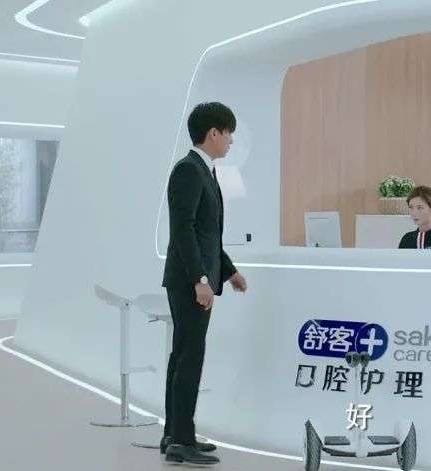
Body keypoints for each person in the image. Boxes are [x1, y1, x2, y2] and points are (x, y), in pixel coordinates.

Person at [161, 102, 248, 465]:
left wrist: (228, 271)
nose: (230, 141)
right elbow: (183, 230)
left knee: (183, 355)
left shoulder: (203, 170)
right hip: (189, 282)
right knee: (189, 358)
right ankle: (181, 440)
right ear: (213, 132)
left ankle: (175, 434)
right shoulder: (189, 170)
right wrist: (200, 279)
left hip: (196, 278)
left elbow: (207, 234)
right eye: (228, 133)